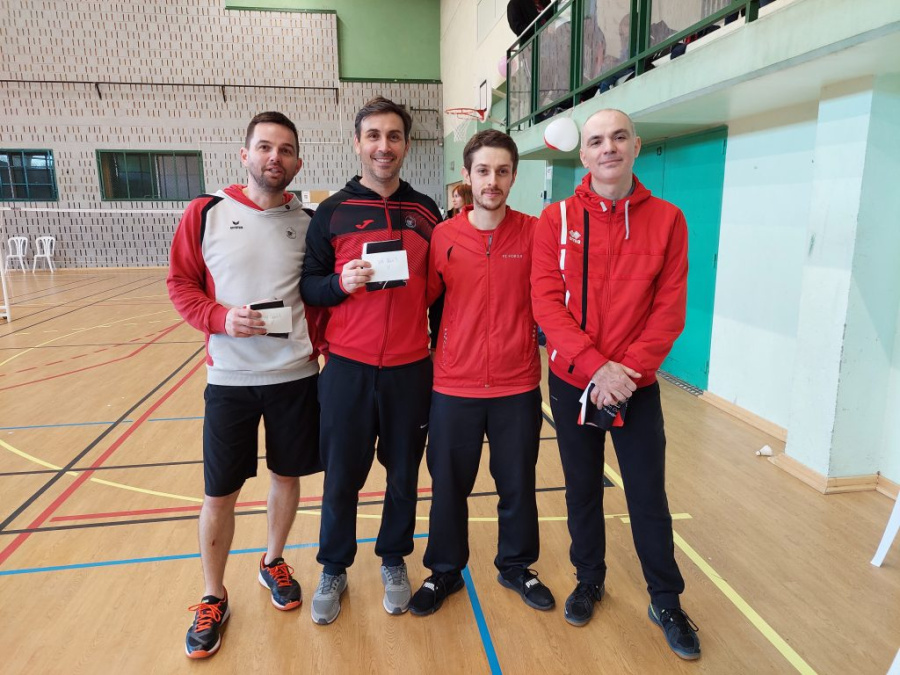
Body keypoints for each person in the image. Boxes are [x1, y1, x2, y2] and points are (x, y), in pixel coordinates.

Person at [531, 109, 700, 660]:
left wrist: (623, 374)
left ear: (635, 146)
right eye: (596, 141)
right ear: (582, 155)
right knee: (581, 490)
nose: (608, 148)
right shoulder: (553, 220)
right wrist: (593, 368)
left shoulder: (669, 220)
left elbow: (669, 309)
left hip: (634, 385)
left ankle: (666, 599)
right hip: (573, 380)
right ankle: (589, 579)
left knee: (648, 496)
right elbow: (547, 306)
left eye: (618, 137)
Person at [168, 111, 322, 659]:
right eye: (263, 147)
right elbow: (181, 285)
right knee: (220, 493)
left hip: (294, 376)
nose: (273, 158)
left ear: (297, 161)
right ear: (245, 155)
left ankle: (272, 561)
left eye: (284, 150)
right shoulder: (206, 212)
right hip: (229, 380)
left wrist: (320, 347)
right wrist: (217, 317)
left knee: (286, 475)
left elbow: (317, 295)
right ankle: (213, 594)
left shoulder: (308, 223)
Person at [300, 96, 442, 625]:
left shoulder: (428, 212)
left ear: (406, 144)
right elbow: (309, 287)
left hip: (410, 370)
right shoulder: (333, 212)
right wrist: (341, 283)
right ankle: (334, 566)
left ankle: (394, 558)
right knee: (342, 477)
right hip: (347, 370)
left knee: (404, 474)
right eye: (374, 136)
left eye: (395, 136)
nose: (384, 146)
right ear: (358, 143)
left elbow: (443, 292)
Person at [409, 130, 554, 616]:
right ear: (467, 176)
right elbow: (421, 301)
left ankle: (516, 565)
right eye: (484, 171)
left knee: (518, 483)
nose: (493, 181)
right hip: (454, 384)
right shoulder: (444, 237)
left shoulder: (534, 233)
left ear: (514, 175)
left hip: (516, 384)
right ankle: (444, 571)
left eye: (503, 171)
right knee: (448, 485)